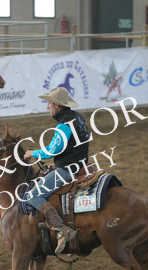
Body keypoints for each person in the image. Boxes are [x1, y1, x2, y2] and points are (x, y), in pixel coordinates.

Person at [23, 87, 91, 254]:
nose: (48, 107)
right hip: (80, 165)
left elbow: (51, 151)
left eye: (50, 104)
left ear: (57, 106)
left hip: (68, 170)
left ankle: (61, 229)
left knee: (32, 195)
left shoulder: (64, 125)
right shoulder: (78, 118)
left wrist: (32, 153)